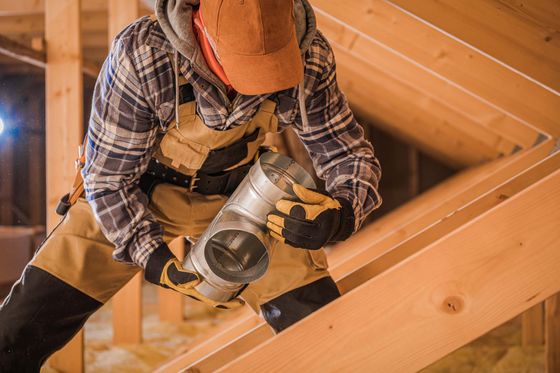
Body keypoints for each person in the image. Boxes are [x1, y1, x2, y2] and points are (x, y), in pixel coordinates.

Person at [0, 0, 381, 371]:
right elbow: (109, 178)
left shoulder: (309, 55)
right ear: (200, 29)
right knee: (18, 331)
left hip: (242, 192)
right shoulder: (144, 54)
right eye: (244, 69)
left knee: (320, 324)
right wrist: (150, 255)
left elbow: (348, 155)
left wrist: (342, 214)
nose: (250, 87)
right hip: (134, 190)